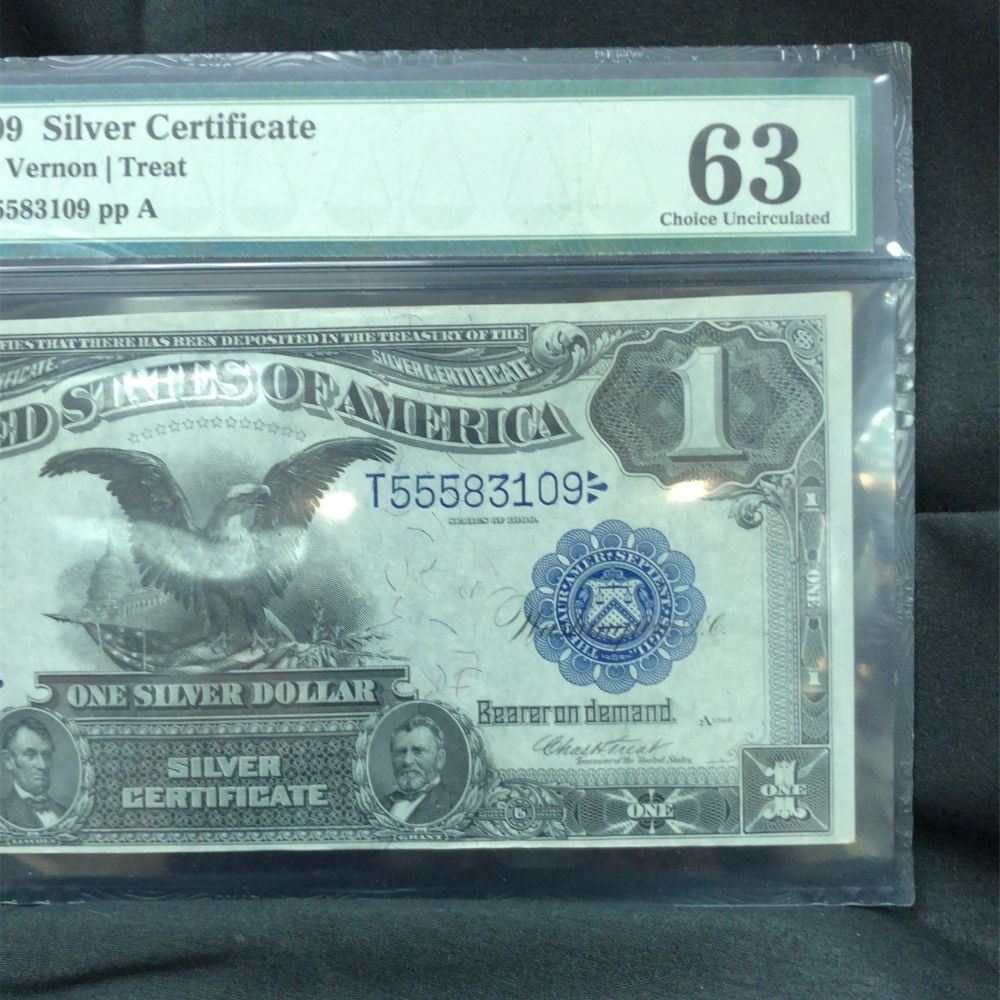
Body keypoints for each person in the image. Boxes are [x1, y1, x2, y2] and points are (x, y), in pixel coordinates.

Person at [380, 715, 457, 824]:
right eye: (401, 752)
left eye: (418, 751)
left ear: (440, 758)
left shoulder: (453, 805)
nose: (407, 760)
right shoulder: (380, 805)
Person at [1, 716, 68, 830]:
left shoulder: (66, 813)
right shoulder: (3, 814)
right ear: (8, 760)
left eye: (46, 755)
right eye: (30, 754)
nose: (43, 765)